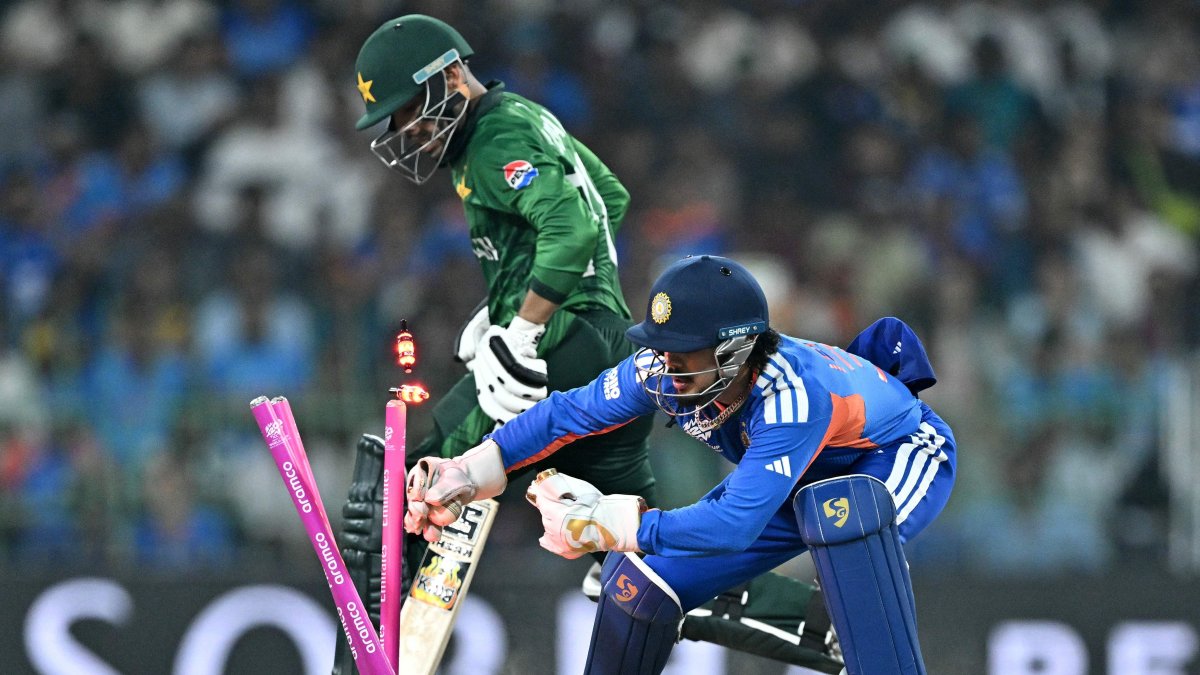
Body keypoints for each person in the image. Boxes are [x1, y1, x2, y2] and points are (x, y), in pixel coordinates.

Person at [336, 16, 840, 675]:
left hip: (565, 344)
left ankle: (363, 666)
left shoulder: (495, 137)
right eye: (395, 123)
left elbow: (572, 229)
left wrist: (520, 330)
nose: (407, 133)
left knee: (405, 478)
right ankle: (819, 622)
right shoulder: (519, 120)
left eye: (409, 112)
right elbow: (610, 197)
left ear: (451, 77)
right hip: (603, 348)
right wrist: (504, 300)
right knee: (641, 567)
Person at [407, 254, 957, 675]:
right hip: (793, 477)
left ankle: (861, 621)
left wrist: (618, 523)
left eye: (683, 353)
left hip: (896, 456)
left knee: (843, 519)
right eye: (661, 349)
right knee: (638, 585)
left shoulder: (794, 397)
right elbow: (567, 414)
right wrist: (470, 471)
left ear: (736, 351)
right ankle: (828, 616)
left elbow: (735, 525)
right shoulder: (661, 368)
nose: (666, 368)